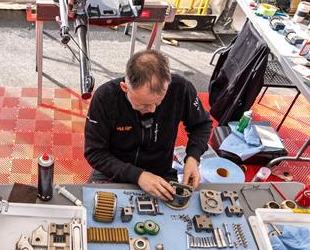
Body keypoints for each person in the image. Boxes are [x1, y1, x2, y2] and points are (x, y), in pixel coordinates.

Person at [84, 49, 213, 200]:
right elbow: (95, 153)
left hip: (160, 173)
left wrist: (193, 157)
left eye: (159, 102)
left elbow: (202, 125)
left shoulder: (181, 89)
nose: (152, 110)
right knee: (93, 212)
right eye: (144, 105)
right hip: (113, 171)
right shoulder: (105, 98)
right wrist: (138, 176)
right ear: (125, 88)